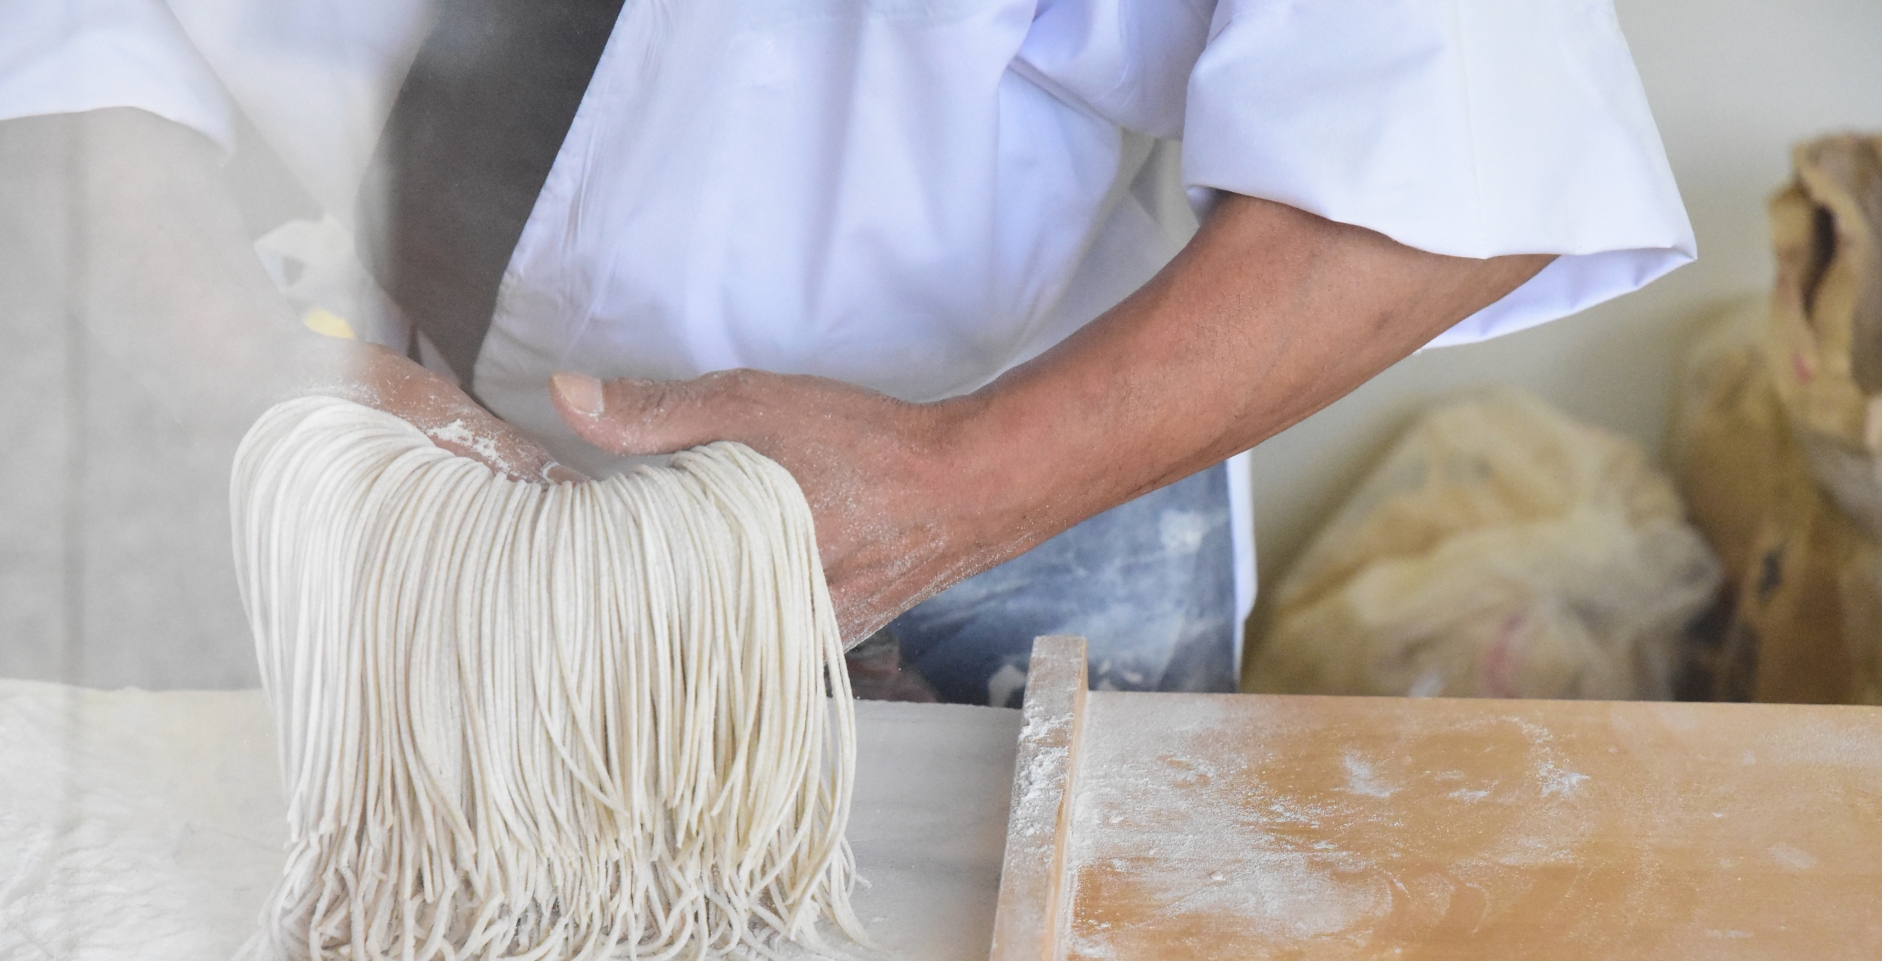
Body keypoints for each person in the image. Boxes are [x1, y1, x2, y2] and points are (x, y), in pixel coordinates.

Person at [0, 1, 1692, 704]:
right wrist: (243, 378)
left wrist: (957, 492)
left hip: (1005, 492)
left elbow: (1464, 148)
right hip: (369, 427)